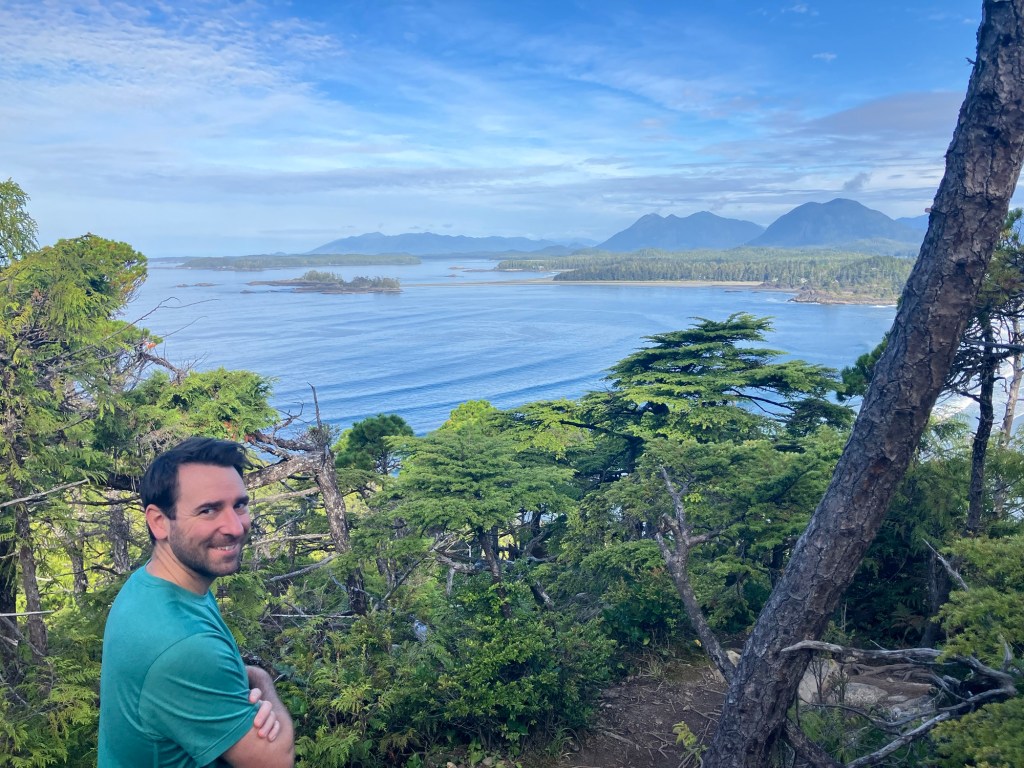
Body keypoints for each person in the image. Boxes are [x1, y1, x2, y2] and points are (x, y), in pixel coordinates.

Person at [98, 437, 295, 767]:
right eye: (208, 510)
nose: (235, 527)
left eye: (239, 505)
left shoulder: (147, 585)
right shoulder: (184, 647)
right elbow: (276, 761)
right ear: (159, 522)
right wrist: (261, 679)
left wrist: (233, 678)